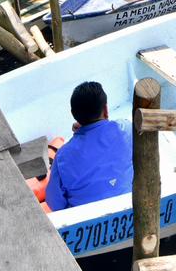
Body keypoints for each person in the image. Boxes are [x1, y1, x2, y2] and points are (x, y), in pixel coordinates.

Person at [45, 82, 132, 210]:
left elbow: (54, 203)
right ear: (106, 110)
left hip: (88, 223)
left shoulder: (63, 156)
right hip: (130, 208)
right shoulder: (126, 129)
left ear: (74, 114)